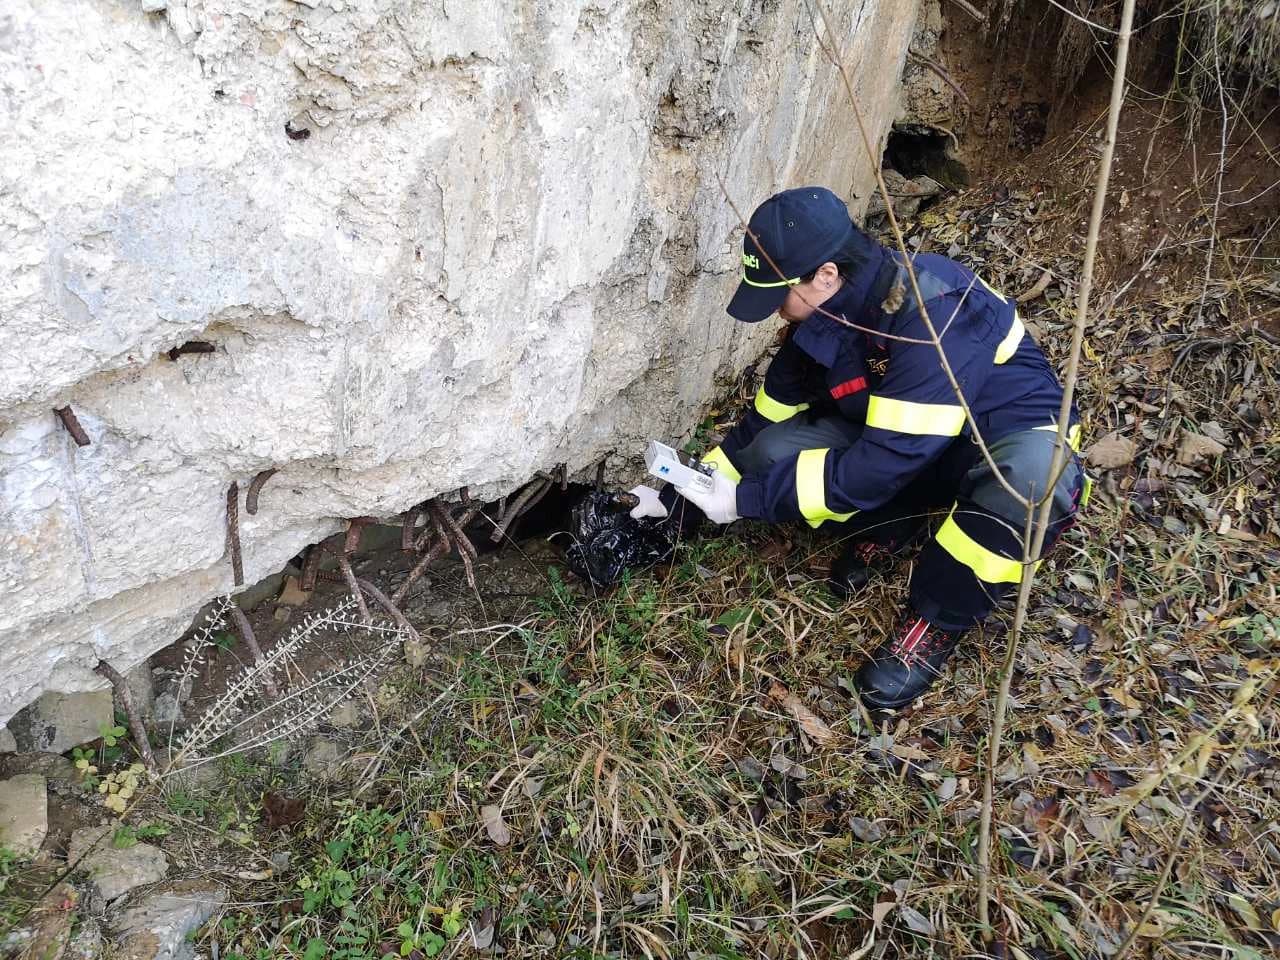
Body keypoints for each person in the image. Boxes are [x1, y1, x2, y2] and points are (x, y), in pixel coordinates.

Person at [628, 186, 1086, 711]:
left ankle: (935, 620)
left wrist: (745, 501)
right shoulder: (831, 310)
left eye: (780, 292)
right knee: (777, 449)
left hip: (996, 441)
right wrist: (678, 498)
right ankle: (898, 518)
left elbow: (883, 463)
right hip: (910, 448)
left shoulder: (932, 312)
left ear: (825, 274)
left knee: (1029, 482)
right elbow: (764, 421)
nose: (777, 310)